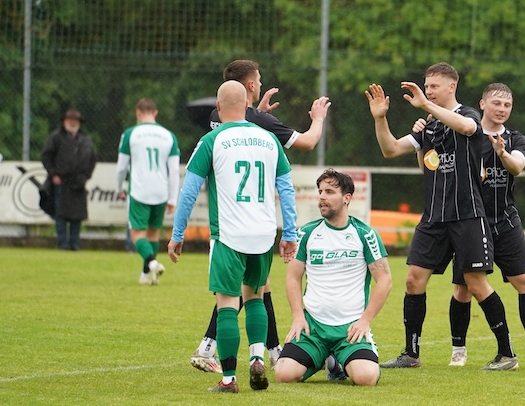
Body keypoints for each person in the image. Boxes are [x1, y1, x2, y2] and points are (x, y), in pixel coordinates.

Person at [365, 62, 518, 371]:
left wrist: (426, 105)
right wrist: (380, 118)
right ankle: (411, 354)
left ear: (451, 87)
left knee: (475, 284)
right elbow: (390, 149)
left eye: (433, 86)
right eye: (426, 86)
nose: (428, 91)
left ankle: (507, 355)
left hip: (467, 215)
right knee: (413, 280)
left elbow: (467, 128)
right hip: (434, 217)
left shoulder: (468, 115)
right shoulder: (430, 126)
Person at [191, 59, 331, 374]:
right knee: (249, 289)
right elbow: (307, 142)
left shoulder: (217, 116)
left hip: (226, 218)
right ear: (252, 85)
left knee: (253, 288)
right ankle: (221, 348)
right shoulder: (259, 123)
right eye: (259, 80)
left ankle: (262, 349)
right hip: (254, 219)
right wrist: (318, 119)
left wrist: (259, 112)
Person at [413, 83, 525, 368]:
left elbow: (517, 167)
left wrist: (502, 153)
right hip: (470, 221)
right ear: (482, 104)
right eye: (496, 103)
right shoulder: (465, 132)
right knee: (463, 289)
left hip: (505, 221)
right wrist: (423, 136)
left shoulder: (516, 139)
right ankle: (459, 351)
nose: (502, 109)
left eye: (507, 105)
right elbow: (436, 165)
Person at [167, 80, 298, 393]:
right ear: (247, 105)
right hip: (264, 234)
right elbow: (286, 189)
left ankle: (228, 379)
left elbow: (189, 191)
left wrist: (177, 234)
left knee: (227, 302)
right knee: (255, 297)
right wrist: (290, 233)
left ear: (218, 106)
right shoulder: (269, 140)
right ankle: (257, 358)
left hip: (228, 234)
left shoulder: (212, 140)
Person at [274, 169, 392, 386]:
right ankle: (323, 358)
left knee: (366, 378)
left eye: (329, 192)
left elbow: (385, 280)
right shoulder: (307, 233)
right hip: (313, 327)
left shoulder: (365, 234)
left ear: (347, 198)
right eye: (320, 192)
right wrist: (298, 316)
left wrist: (365, 321)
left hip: (350, 329)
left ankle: (337, 361)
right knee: (283, 375)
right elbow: (293, 277)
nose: (322, 197)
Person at [115, 98, 180, 285]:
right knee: (153, 234)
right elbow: (174, 170)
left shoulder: (130, 134)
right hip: (161, 191)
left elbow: (121, 167)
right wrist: (172, 198)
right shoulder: (169, 136)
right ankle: (146, 276)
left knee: (137, 235)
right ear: (155, 113)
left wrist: (119, 188)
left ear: (138, 113)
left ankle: (152, 263)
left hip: (139, 190)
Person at [41, 108, 97, 251]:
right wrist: (53, 175)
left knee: (77, 216)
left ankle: (75, 243)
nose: (72, 123)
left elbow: (93, 159)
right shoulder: (55, 137)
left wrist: (86, 176)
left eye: (75, 120)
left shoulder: (85, 140)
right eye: (69, 120)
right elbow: (46, 156)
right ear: (64, 122)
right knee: (60, 214)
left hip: (79, 183)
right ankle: (62, 243)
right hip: (61, 181)